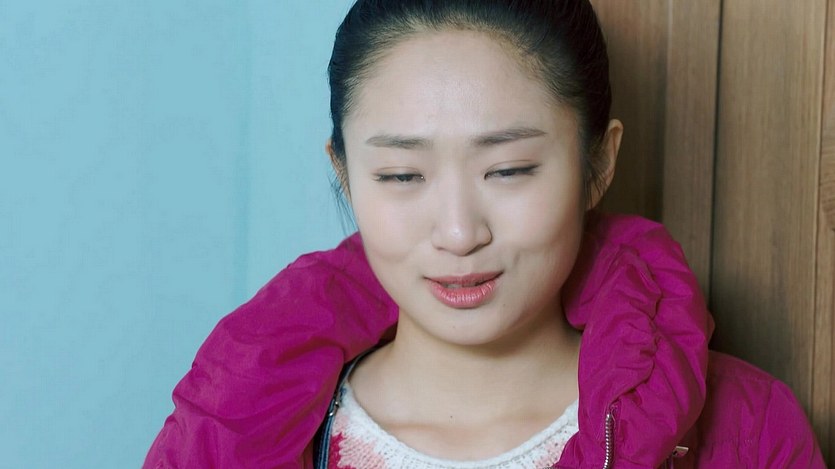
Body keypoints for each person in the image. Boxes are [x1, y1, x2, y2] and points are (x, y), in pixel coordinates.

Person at [144, 1, 825, 468]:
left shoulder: (745, 428)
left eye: (508, 170)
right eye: (402, 175)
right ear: (345, 175)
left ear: (598, 164)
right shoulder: (229, 430)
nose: (458, 231)